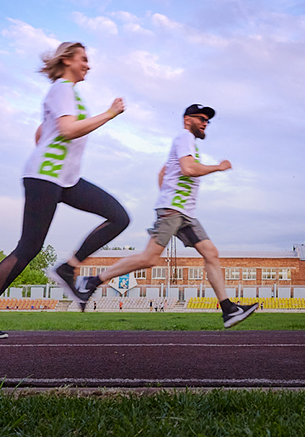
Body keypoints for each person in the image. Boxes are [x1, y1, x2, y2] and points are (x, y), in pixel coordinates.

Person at [0, 42, 130, 340]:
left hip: (65, 179)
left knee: (118, 217)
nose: (88, 65)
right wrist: (110, 113)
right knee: (29, 248)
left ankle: (68, 269)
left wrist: (52, 139)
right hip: (44, 178)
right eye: (84, 59)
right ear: (67, 61)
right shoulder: (62, 89)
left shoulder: (68, 94)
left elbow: (43, 132)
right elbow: (66, 130)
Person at [80, 104, 258, 328]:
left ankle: (229, 310)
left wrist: (166, 194)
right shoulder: (184, 137)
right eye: (201, 118)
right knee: (149, 259)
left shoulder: (187, 144)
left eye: (207, 120)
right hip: (174, 211)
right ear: (187, 120)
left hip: (185, 214)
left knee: (211, 253)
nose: (205, 123)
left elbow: (164, 172)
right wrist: (218, 168)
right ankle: (92, 281)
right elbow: (188, 169)